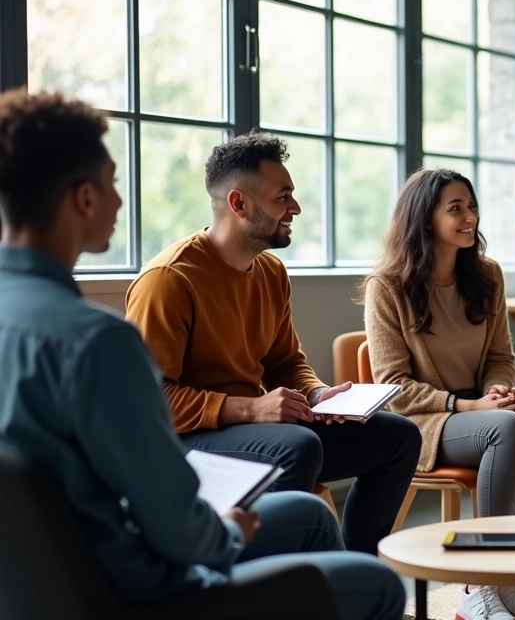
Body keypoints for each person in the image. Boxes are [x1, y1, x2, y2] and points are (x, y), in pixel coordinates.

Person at [0, 89, 406, 620]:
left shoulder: (32, 322)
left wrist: (314, 392)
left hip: (53, 584)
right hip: (146, 584)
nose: (120, 202)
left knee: (311, 510)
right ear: (84, 199)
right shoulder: (100, 338)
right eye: (113, 185)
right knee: (381, 587)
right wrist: (222, 532)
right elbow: (178, 526)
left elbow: (284, 361)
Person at [124, 131, 422, 555]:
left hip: (253, 426)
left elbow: (286, 361)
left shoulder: (270, 272)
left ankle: (357, 570)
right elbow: (150, 402)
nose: (295, 208)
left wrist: (317, 394)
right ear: (238, 204)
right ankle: (272, 581)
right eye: (283, 197)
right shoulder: (169, 281)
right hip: (186, 442)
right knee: (297, 445)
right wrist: (250, 408)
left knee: (398, 436)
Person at [360, 168, 515, 620]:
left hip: (482, 408)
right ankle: (477, 584)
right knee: (507, 428)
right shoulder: (387, 285)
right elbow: (392, 387)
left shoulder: (487, 275)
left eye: (471, 205)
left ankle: (506, 576)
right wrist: (467, 404)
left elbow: (501, 354)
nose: (469, 216)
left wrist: (496, 387)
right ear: (424, 217)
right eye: (455, 208)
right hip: (426, 420)